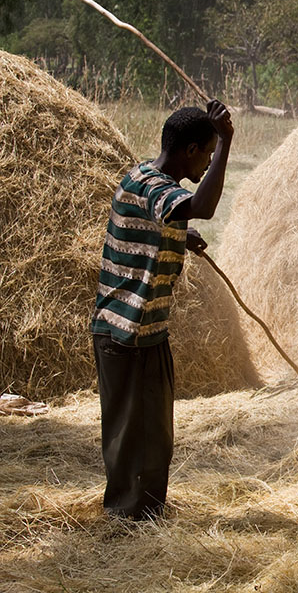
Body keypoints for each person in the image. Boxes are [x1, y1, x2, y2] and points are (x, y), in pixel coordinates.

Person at [90, 99, 233, 520]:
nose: (208, 163)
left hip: (147, 329)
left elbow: (160, 219)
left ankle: (146, 514)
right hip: (123, 331)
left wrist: (180, 234)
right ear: (190, 150)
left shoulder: (148, 183)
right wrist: (226, 140)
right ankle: (124, 519)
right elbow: (203, 207)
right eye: (206, 154)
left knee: (153, 435)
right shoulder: (150, 185)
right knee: (129, 437)